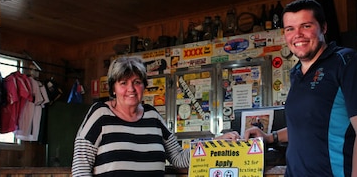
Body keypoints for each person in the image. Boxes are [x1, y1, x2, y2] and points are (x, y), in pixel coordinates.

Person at [242, 0, 357, 177]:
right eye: (290, 29)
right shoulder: (297, 72)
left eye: (306, 26)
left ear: (324, 28)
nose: (297, 34)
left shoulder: (346, 62)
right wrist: (270, 137)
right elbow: (308, 125)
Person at [72, 55, 237, 176]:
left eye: (137, 82)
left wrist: (215, 143)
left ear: (144, 86)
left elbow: (179, 158)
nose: (131, 89)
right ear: (113, 88)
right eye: (123, 83)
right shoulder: (100, 114)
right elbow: (80, 169)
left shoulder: (153, 116)